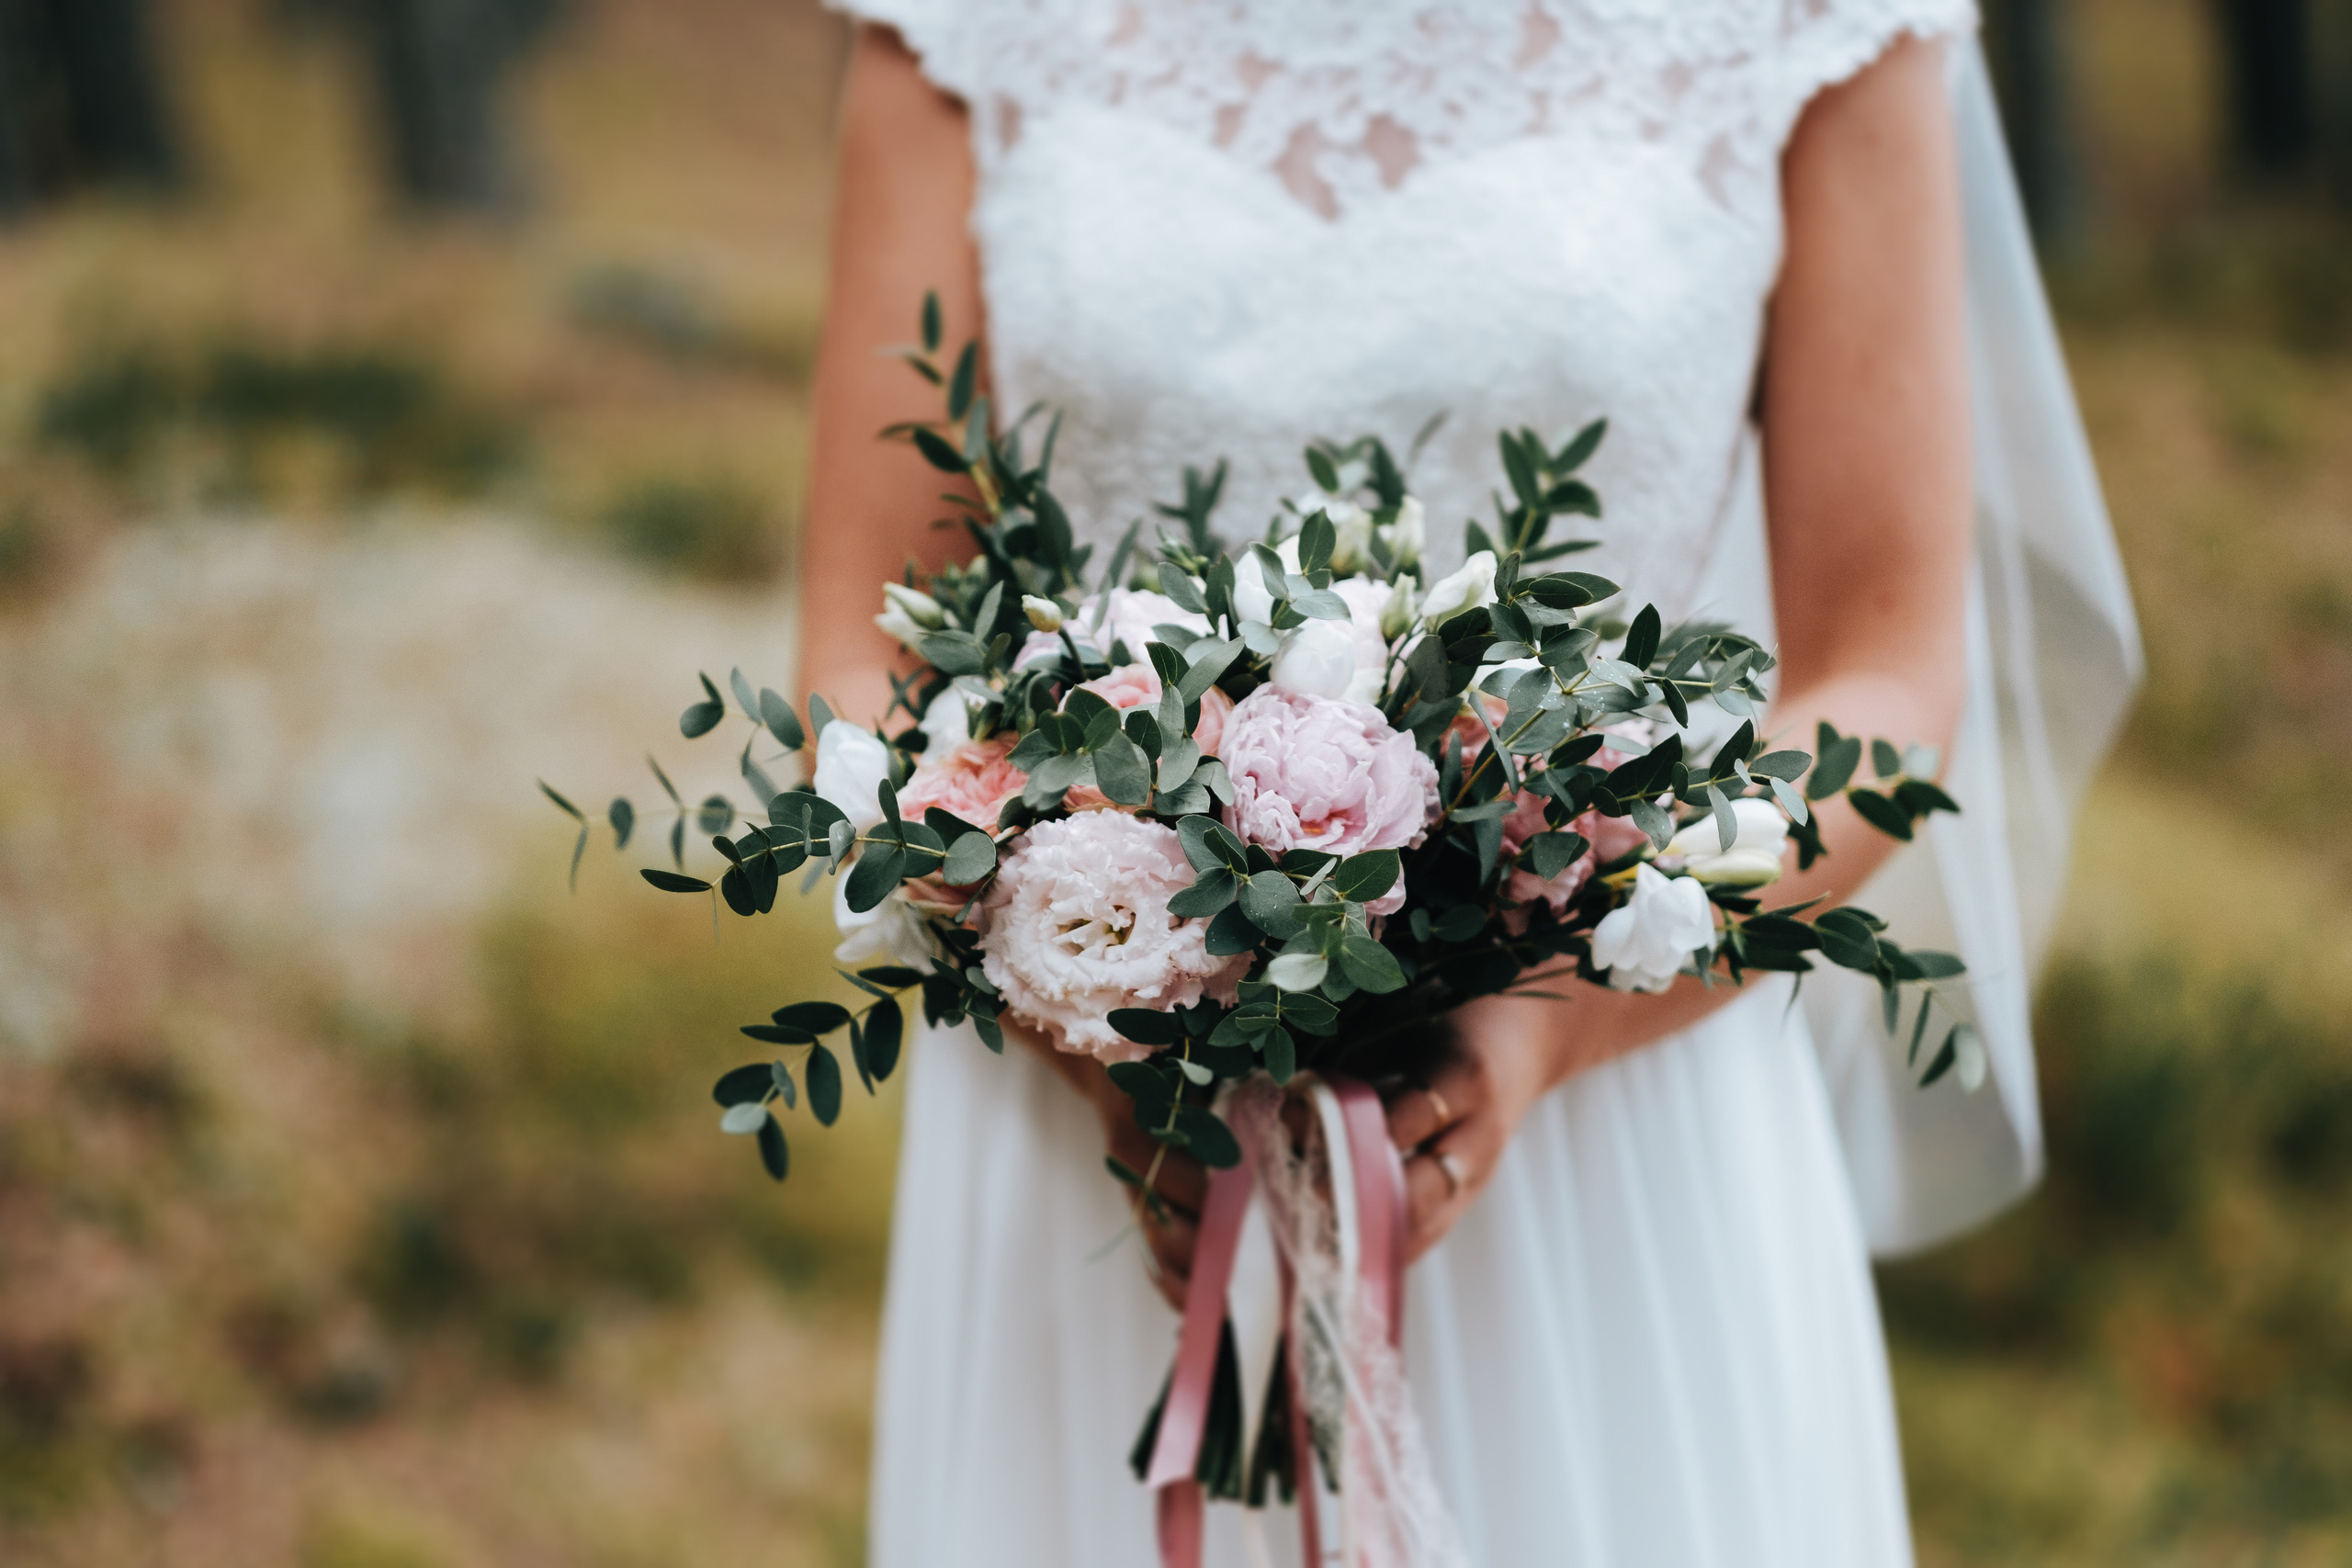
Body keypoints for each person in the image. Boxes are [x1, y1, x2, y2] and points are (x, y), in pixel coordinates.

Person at [797, 3, 2139, 1562]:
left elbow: (1888, 685)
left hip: (1604, 1138)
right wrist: (1086, 1005)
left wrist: (1543, 1027)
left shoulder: (1816, 25)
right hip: (1101, 1142)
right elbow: (866, 655)